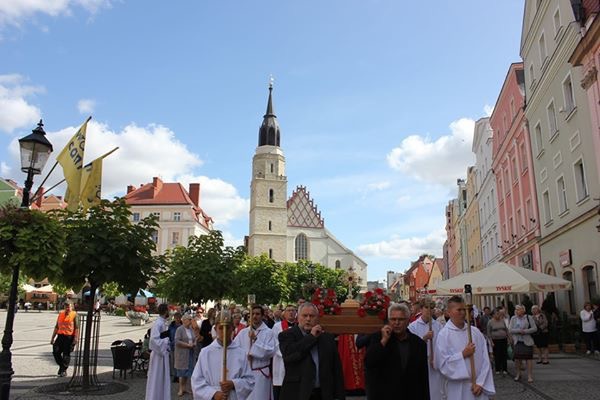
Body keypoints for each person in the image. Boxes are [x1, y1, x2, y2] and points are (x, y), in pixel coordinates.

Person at [278, 302, 345, 400]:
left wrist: (339, 395)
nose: (308, 319)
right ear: (298, 317)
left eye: (312, 316)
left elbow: (336, 369)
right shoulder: (287, 335)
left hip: (323, 393)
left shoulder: (327, 338)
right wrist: (311, 337)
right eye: (305, 316)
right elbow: (290, 356)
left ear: (317, 318)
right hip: (298, 392)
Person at [363, 302, 428, 399]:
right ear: (388, 320)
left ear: (408, 320)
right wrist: (384, 341)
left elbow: (423, 378)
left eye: (401, 319)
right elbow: (369, 362)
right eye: (393, 319)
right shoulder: (379, 338)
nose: (396, 323)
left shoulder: (418, 344)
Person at [435, 295, 495, 400]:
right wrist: (463, 354)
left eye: (464, 309)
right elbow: (442, 364)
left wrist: (481, 383)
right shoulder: (444, 335)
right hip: (458, 388)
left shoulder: (475, 332)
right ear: (449, 312)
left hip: (478, 386)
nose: (463, 313)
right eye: (459, 310)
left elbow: (485, 359)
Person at [191, 310, 255, 400]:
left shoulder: (240, 353)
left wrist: (234, 384)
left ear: (233, 329)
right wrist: (213, 394)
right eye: (221, 328)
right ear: (215, 329)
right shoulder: (206, 353)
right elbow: (196, 381)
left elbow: (250, 381)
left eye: (227, 328)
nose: (224, 332)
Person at [233, 304, 277, 400]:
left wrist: (255, 340)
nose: (254, 316)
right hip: (246, 373)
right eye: (252, 314)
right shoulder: (243, 333)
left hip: (261, 373)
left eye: (257, 314)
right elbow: (235, 350)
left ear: (262, 316)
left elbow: (270, 352)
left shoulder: (269, 332)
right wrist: (245, 357)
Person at [409, 299, 442, 400]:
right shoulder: (413, 326)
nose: (429, 310)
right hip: (420, 362)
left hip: (434, 362)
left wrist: (436, 358)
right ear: (421, 309)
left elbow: (442, 345)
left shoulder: (439, 326)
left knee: (435, 390)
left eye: (431, 308)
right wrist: (424, 338)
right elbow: (411, 346)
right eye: (426, 307)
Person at [145, 303, 171, 400]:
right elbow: (153, 340)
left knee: (161, 379)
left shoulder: (163, 322)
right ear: (165, 311)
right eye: (168, 310)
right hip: (158, 356)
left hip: (162, 355)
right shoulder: (158, 323)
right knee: (156, 379)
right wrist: (166, 341)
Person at [272, 305, 297, 400]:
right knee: (281, 386)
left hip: (296, 360)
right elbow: (275, 344)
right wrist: (287, 354)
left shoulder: (299, 326)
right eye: (288, 310)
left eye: (293, 310)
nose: (291, 312)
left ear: (296, 313)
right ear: (284, 313)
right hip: (281, 360)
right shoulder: (277, 326)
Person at [509, 304, 537, 383]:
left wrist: (525, 331)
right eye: (516, 309)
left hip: (527, 341)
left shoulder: (528, 317)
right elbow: (510, 329)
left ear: (523, 310)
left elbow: (534, 328)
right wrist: (519, 331)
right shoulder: (513, 318)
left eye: (518, 309)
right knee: (517, 359)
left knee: (528, 358)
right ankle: (518, 374)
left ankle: (530, 376)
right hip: (517, 341)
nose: (517, 311)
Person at [50, 302, 79, 377]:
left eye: (68, 307)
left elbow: (77, 327)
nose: (67, 308)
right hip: (60, 336)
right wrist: (53, 337)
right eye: (66, 307)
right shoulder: (61, 314)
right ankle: (62, 367)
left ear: (72, 307)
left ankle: (63, 370)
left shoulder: (74, 314)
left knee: (66, 354)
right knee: (56, 351)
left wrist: (76, 338)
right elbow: (57, 326)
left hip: (69, 337)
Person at [174, 314, 196, 396]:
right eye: (189, 319)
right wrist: (187, 345)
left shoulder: (191, 329)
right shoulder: (179, 329)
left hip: (190, 353)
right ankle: (181, 388)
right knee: (182, 372)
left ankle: (185, 388)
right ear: (184, 320)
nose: (190, 321)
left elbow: (194, 338)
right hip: (182, 353)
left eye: (191, 319)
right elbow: (176, 341)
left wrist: (194, 343)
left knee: (188, 371)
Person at [486, 307, 509, 375]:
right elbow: (488, 333)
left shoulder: (502, 320)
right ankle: (497, 369)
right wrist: (491, 342)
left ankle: (505, 369)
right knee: (497, 354)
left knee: (504, 354)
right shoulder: (490, 322)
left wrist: (508, 338)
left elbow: (506, 330)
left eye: (499, 314)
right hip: (495, 340)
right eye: (497, 314)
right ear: (493, 315)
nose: (498, 315)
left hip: (503, 339)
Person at [169, 312, 183, 382]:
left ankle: (179, 375)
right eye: (176, 318)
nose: (177, 319)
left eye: (178, 318)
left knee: (179, 362)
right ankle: (175, 375)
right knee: (173, 361)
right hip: (172, 346)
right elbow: (169, 334)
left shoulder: (182, 326)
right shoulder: (171, 325)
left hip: (180, 346)